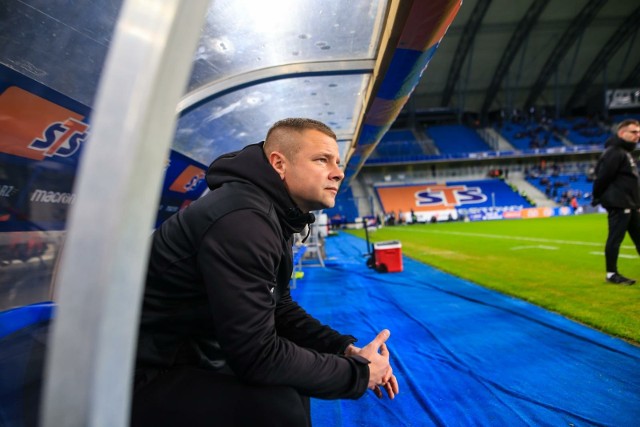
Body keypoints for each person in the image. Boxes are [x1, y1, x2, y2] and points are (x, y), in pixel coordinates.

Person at [131, 118, 399, 427]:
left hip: (189, 352)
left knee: (292, 386)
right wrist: (359, 374)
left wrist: (342, 347)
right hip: (140, 371)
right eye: (322, 159)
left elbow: (279, 306)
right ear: (279, 164)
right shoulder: (244, 221)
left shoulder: (269, 211)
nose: (338, 172)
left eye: (337, 162)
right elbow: (257, 356)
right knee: (278, 406)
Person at [592, 119, 640, 285]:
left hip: (630, 204)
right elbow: (603, 177)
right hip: (620, 203)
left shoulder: (624, 152)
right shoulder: (614, 152)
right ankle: (611, 274)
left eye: (639, 132)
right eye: (633, 132)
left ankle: (612, 274)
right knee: (615, 238)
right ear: (622, 133)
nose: (638, 135)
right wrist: (597, 196)